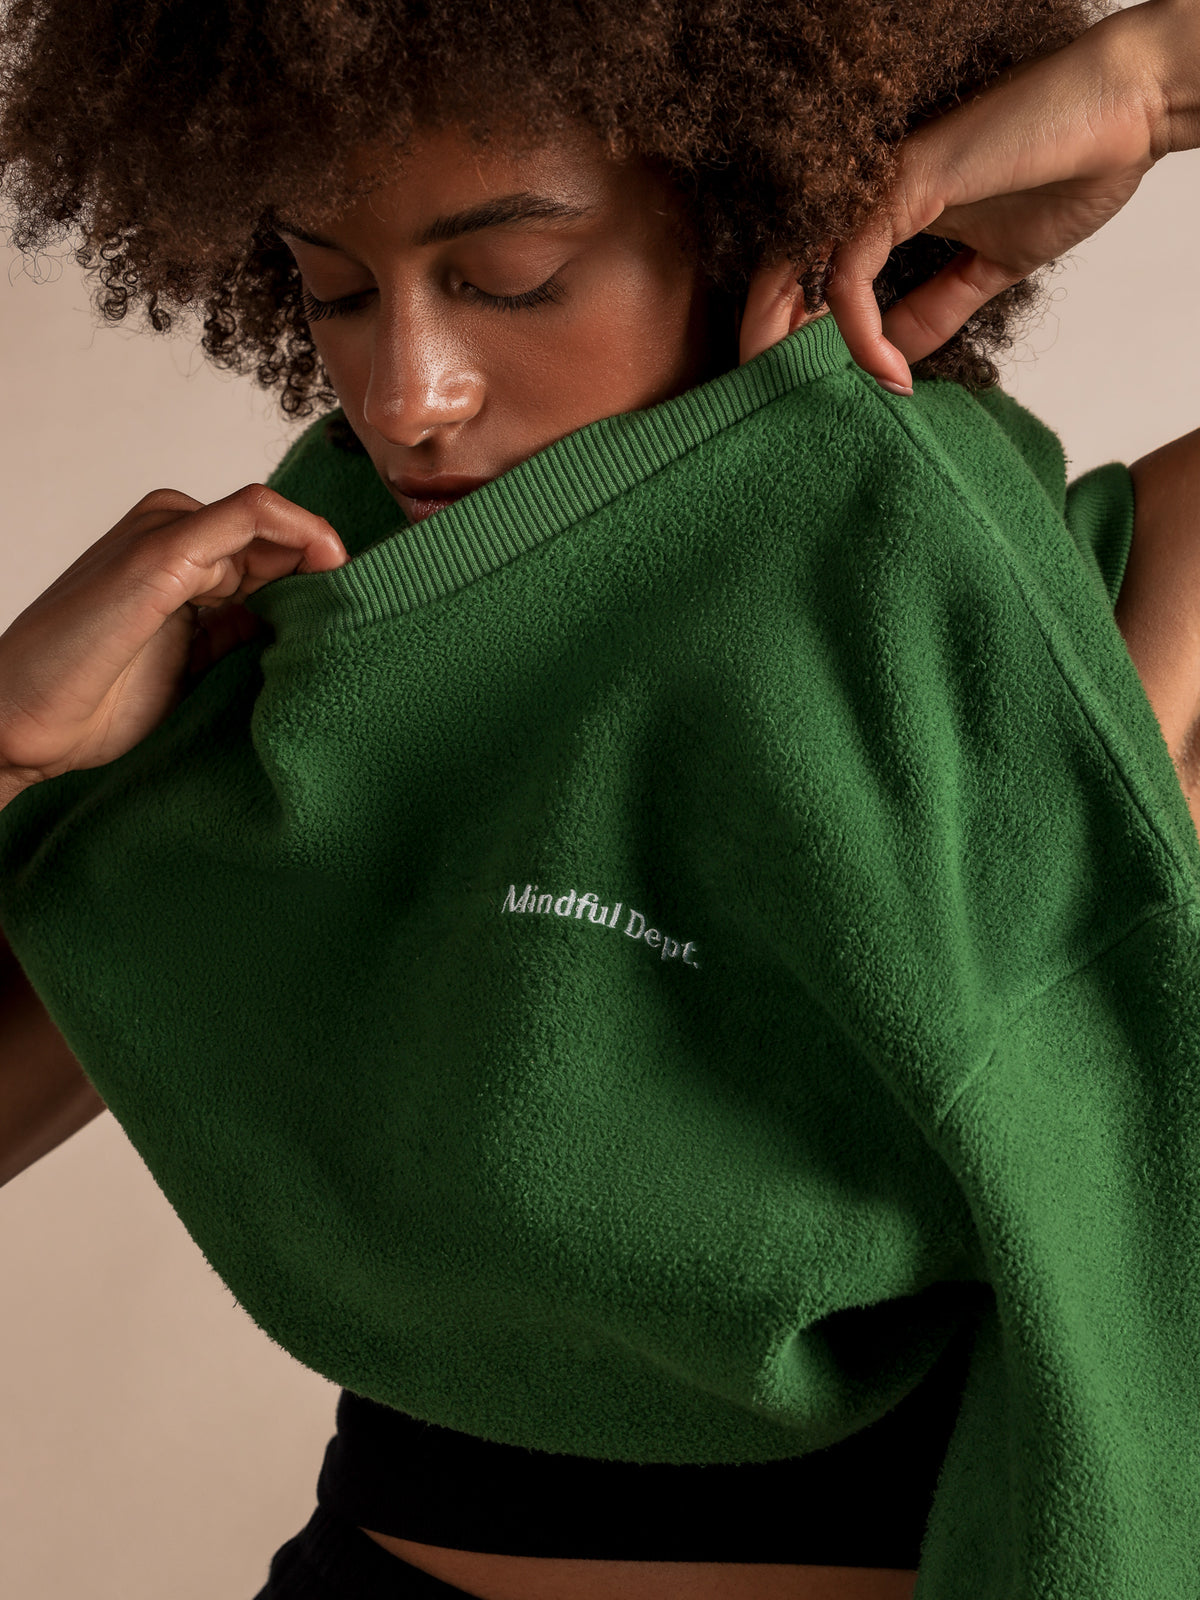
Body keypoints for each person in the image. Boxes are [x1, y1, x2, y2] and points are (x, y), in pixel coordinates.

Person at [2, 2, 1199, 1598]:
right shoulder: (305, 648)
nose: (406, 394)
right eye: (335, 286)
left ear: (756, 218)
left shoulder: (1067, 626)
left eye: (511, 278)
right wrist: (9, 743)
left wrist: (1150, 79)